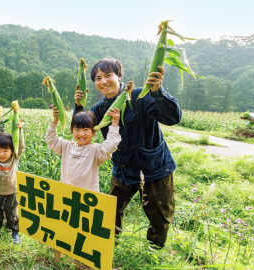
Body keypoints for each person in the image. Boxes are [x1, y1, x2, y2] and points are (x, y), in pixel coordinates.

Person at [74, 56, 181, 248]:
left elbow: (173, 117)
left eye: (108, 75)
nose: (103, 81)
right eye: (98, 78)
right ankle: (108, 245)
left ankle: (154, 250)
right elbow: (80, 132)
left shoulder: (140, 96)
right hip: (123, 170)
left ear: (119, 76)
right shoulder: (99, 110)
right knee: (110, 210)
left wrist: (158, 91)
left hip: (154, 169)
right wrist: (79, 107)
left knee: (159, 215)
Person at [46, 106, 121, 193]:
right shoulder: (67, 147)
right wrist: (55, 121)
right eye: (77, 129)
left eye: (86, 129)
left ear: (94, 131)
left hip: (87, 198)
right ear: (72, 131)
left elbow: (110, 146)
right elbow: (51, 141)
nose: (81, 134)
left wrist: (115, 124)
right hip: (67, 194)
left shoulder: (95, 150)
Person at [0, 119, 25, 244]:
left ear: (12, 151)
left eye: (5, 151)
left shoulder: (14, 158)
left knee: (12, 215)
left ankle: (14, 232)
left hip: (10, 194)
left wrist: (20, 130)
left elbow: (21, 146)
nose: (1, 154)